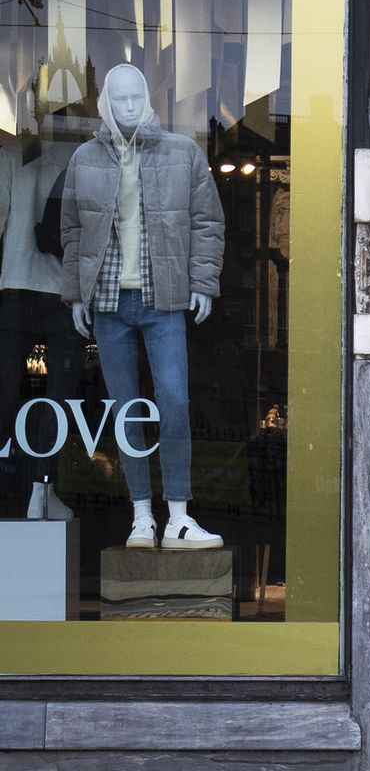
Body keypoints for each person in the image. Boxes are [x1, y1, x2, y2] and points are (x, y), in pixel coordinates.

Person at [61, 63, 225, 550]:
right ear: (106, 104)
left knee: (174, 402)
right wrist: (75, 294)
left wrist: (204, 283)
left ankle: (177, 513)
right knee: (126, 410)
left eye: (137, 98)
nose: (130, 107)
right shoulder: (84, 159)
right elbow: (71, 230)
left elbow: (206, 223)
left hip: (163, 297)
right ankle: (140, 515)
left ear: (149, 99)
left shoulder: (183, 152)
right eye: (120, 100)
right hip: (109, 300)